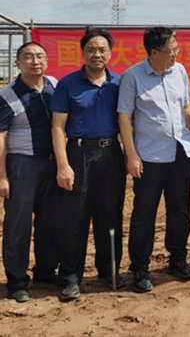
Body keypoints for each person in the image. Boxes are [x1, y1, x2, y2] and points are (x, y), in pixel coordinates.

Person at [118, 27, 190, 293]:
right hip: (149, 157)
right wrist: (132, 155)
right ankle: (140, 268)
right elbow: (124, 119)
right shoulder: (132, 76)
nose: (176, 54)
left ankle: (178, 259)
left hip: (180, 153)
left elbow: (186, 106)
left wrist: (188, 137)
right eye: (171, 50)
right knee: (144, 213)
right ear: (154, 52)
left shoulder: (180, 71)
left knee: (180, 209)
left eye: (176, 49)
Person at [52, 28, 125, 301]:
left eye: (102, 49)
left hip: (111, 153)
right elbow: (57, 127)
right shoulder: (68, 84)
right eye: (91, 49)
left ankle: (109, 271)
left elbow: (127, 121)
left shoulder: (119, 83)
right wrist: (63, 164)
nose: (97, 54)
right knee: (75, 217)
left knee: (111, 215)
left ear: (110, 53)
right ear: (82, 53)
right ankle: (71, 277)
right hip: (78, 154)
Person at [0, 42, 61, 303]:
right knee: (18, 224)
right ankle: (17, 280)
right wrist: (1, 175)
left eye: (40, 56)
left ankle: (46, 270)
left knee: (50, 221)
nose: (34, 61)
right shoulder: (7, 95)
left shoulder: (53, 85)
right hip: (22, 164)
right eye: (28, 56)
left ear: (47, 61)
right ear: (18, 63)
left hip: (53, 163)